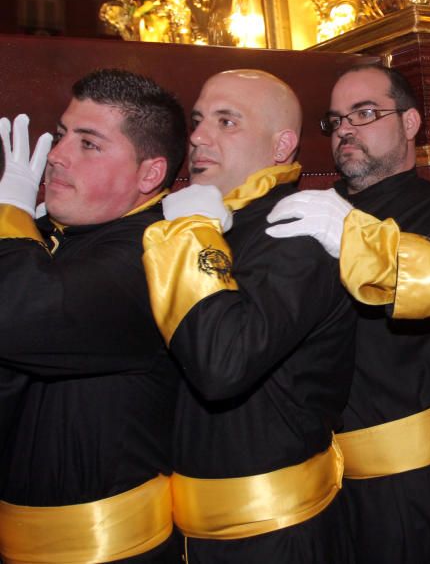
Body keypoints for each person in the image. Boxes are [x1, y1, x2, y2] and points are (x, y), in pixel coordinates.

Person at [265, 63, 430, 564]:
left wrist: (365, 245)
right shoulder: (310, 207)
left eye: (365, 114)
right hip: (304, 493)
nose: (345, 130)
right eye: (337, 120)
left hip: (407, 488)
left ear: (410, 124)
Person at [139, 69, 357, 561]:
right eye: (197, 121)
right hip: (188, 529)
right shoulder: (197, 220)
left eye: (226, 121)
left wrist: (193, 232)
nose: (196, 137)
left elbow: (222, 364)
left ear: (282, 146)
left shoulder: (299, 230)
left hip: (278, 534)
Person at [0, 69, 187, 563]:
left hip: (112, 549)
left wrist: (10, 213)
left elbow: (19, 317)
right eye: (62, 136)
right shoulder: (41, 234)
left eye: (89, 144)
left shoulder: (155, 254)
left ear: (149, 175)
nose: (56, 155)